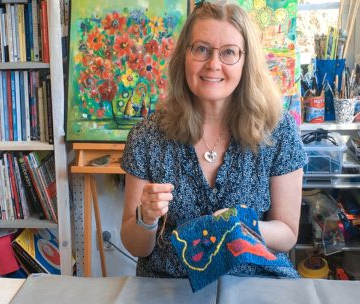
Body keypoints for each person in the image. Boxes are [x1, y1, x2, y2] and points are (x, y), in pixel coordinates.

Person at [120, 1, 307, 278]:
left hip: (255, 284)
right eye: (202, 49)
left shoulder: (278, 131)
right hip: (172, 288)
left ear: (246, 61)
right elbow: (135, 245)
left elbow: (288, 233)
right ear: (185, 54)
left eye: (229, 52)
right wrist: (146, 218)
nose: (213, 64)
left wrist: (241, 226)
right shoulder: (148, 136)